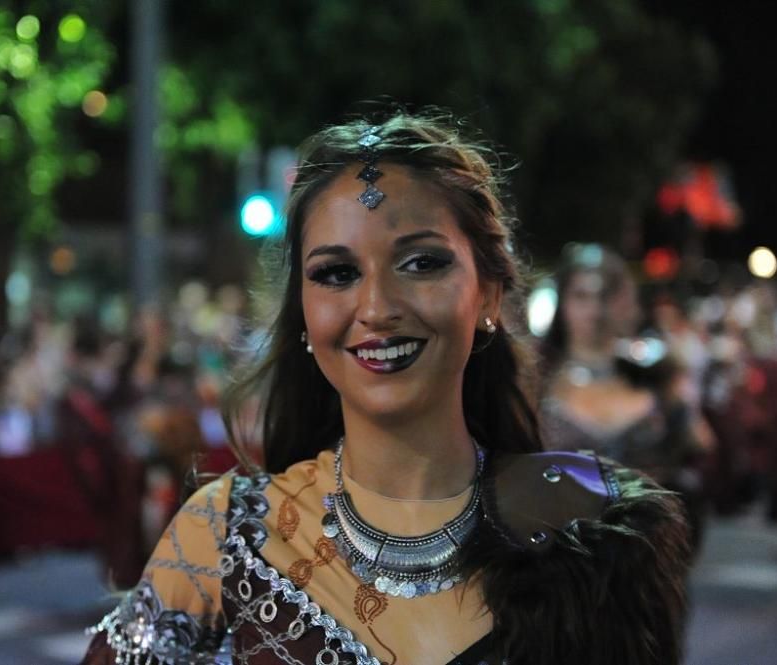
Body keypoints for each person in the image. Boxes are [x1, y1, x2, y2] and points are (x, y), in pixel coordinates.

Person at [81, 112, 691, 665]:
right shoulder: (227, 534)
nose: (376, 307)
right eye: (337, 274)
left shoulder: (593, 532)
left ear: (489, 294)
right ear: (304, 316)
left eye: (422, 262)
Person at [538, 244, 710, 550]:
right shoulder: (534, 383)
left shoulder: (658, 377)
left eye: (606, 296)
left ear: (625, 301)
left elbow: (700, 443)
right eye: (581, 296)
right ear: (562, 302)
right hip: (557, 560)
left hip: (646, 554)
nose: (595, 310)